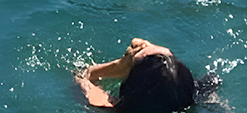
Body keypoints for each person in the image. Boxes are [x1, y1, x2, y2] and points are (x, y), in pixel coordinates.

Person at [75, 37, 221, 112]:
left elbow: (82, 75)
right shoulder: (200, 95)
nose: (138, 41)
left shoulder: (108, 105)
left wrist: (118, 67)